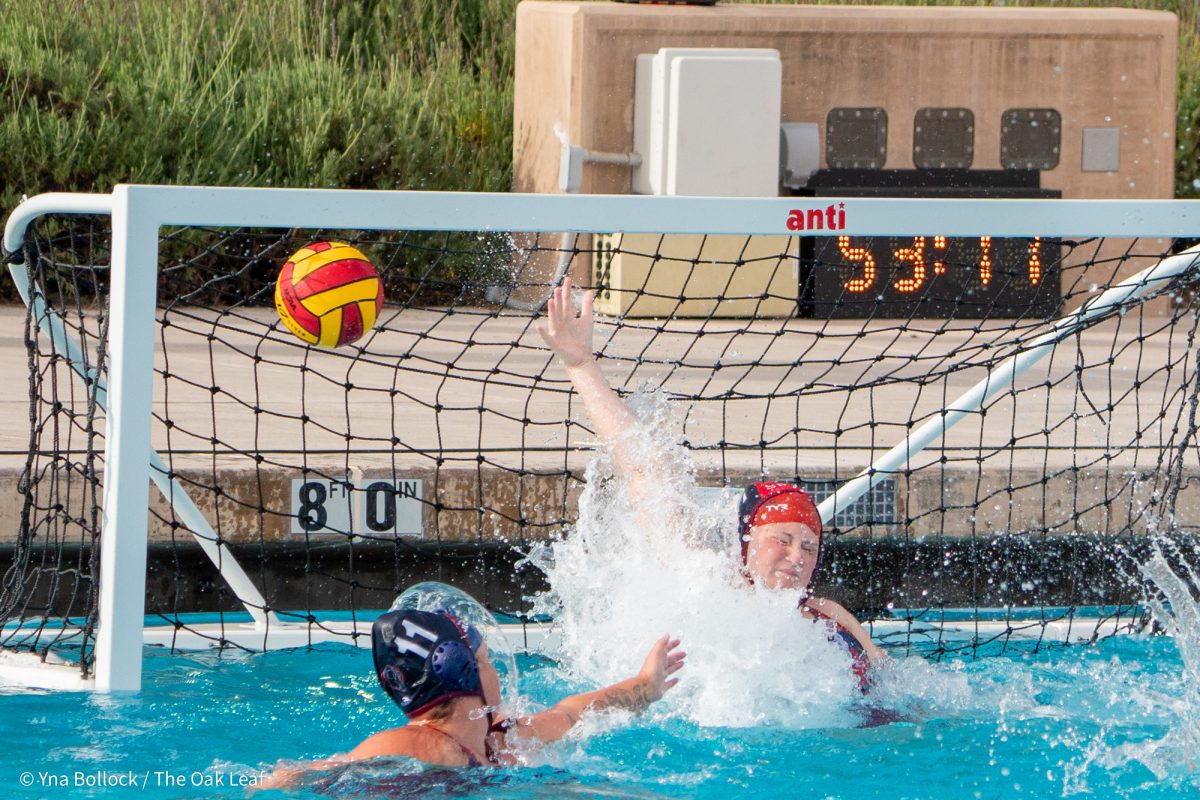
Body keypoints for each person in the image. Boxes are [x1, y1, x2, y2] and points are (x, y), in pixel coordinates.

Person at [536, 277, 885, 681]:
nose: (797, 559)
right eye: (783, 541)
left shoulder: (829, 618)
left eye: (809, 546)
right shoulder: (705, 589)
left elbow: (893, 687)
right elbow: (646, 470)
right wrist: (581, 366)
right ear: (747, 540)